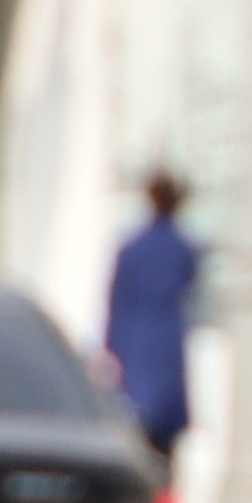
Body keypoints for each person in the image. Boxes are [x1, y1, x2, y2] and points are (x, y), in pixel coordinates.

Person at [105, 168, 202, 469]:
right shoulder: (184, 249)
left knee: (137, 426)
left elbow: (116, 303)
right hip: (168, 342)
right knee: (166, 437)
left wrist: (110, 350)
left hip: (135, 342)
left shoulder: (132, 249)